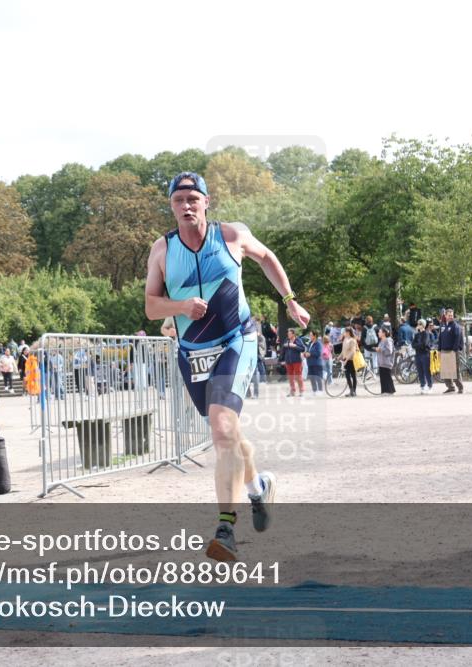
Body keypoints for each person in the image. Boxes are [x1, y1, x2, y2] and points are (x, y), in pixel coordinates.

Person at [144, 171, 309, 562]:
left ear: (206, 202)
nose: (186, 206)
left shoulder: (231, 235)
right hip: (192, 351)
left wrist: (290, 300)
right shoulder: (161, 250)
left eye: (192, 199)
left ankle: (225, 528)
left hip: (237, 339)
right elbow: (152, 307)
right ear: (171, 207)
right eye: (178, 200)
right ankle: (259, 489)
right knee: (229, 433)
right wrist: (181, 307)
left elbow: (267, 257)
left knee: (221, 429)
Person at [437, 309, 464, 394]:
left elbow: (457, 339)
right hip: (444, 351)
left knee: (455, 370)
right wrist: (439, 350)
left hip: (452, 351)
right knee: (445, 371)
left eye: (452, 315)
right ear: (445, 315)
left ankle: (460, 387)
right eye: (449, 315)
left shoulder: (455, 326)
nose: (450, 317)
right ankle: (450, 387)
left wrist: (454, 350)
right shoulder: (443, 325)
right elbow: (440, 338)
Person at [281, 328, 306, 397]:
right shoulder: (286, 340)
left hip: (297, 361)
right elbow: (283, 350)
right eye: (288, 334)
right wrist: (282, 359)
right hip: (288, 361)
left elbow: (303, 349)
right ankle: (292, 391)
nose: (288, 335)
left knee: (298, 376)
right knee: (290, 377)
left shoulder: (298, 340)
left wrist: (295, 346)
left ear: (293, 334)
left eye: (289, 334)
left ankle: (301, 391)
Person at [411, 319, 433, 394]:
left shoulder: (426, 333)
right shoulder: (417, 334)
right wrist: (418, 345)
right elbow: (412, 344)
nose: (418, 326)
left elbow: (425, 344)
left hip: (425, 354)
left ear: (423, 325)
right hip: (418, 354)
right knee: (420, 371)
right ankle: (422, 386)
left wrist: (417, 345)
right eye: (418, 324)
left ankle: (430, 386)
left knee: (427, 371)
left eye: (420, 324)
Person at [337, 327, 359, 397]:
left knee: (352, 376)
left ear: (348, 332)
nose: (343, 333)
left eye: (344, 332)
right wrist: (339, 357)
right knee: (348, 376)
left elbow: (353, 351)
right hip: (346, 360)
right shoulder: (345, 340)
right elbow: (343, 351)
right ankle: (352, 391)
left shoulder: (352, 340)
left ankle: (353, 391)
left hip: (351, 360)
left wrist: (346, 360)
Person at [376, 327, 395, 395]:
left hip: (387, 362)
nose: (378, 333)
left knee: (387, 377)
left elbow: (389, 351)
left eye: (380, 332)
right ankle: (384, 391)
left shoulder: (388, 340)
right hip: (381, 362)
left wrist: (380, 350)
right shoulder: (381, 341)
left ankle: (389, 391)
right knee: (383, 377)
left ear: (384, 333)